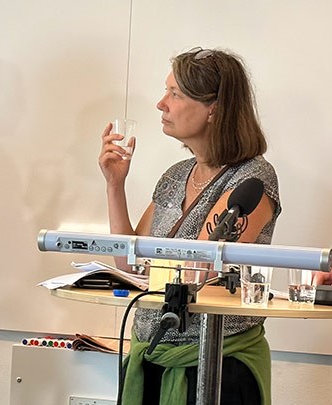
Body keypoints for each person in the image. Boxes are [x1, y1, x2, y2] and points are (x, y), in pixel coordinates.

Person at [99, 47, 281, 404]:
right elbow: (129, 263)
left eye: (175, 94)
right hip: (153, 352)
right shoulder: (175, 176)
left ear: (214, 108)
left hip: (218, 365)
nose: (161, 104)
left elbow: (196, 270)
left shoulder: (253, 178)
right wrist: (114, 185)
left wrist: (156, 268)